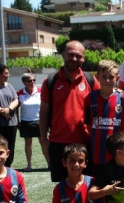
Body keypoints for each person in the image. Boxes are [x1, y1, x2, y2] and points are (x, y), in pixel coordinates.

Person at [40, 40, 100, 182]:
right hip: (58, 143)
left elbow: (102, 105)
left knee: (87, 184)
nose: (74, 59)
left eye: (78, 56)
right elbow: (43, 113)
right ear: (63, 55)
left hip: (85, 142)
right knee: (62, 187)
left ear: (83, 58)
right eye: (71, 55)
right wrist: (43, 139)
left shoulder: (90, 80)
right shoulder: (50, 81)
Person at [84, 60, 124, 171]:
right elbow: (88, 125)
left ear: (117, 78)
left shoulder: (123, 98)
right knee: (100, 184)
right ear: (97, 77)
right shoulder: (90, 98)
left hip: (118, 152)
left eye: (111, 77)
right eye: (104, 77)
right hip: (98, 151)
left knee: (119, 184)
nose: (107, 80)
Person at [17, 73, 49, 171]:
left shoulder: (41, 91)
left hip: (40, 121)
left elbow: (47, 106)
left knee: (43, 142)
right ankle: (29, 165)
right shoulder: (19, 94)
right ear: (24, 82)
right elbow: (15, 108)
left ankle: (50, 163)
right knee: (28, 143)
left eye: (33, 80)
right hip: (26, 122)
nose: (32, 82)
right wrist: (18, 122)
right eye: (29, 81)